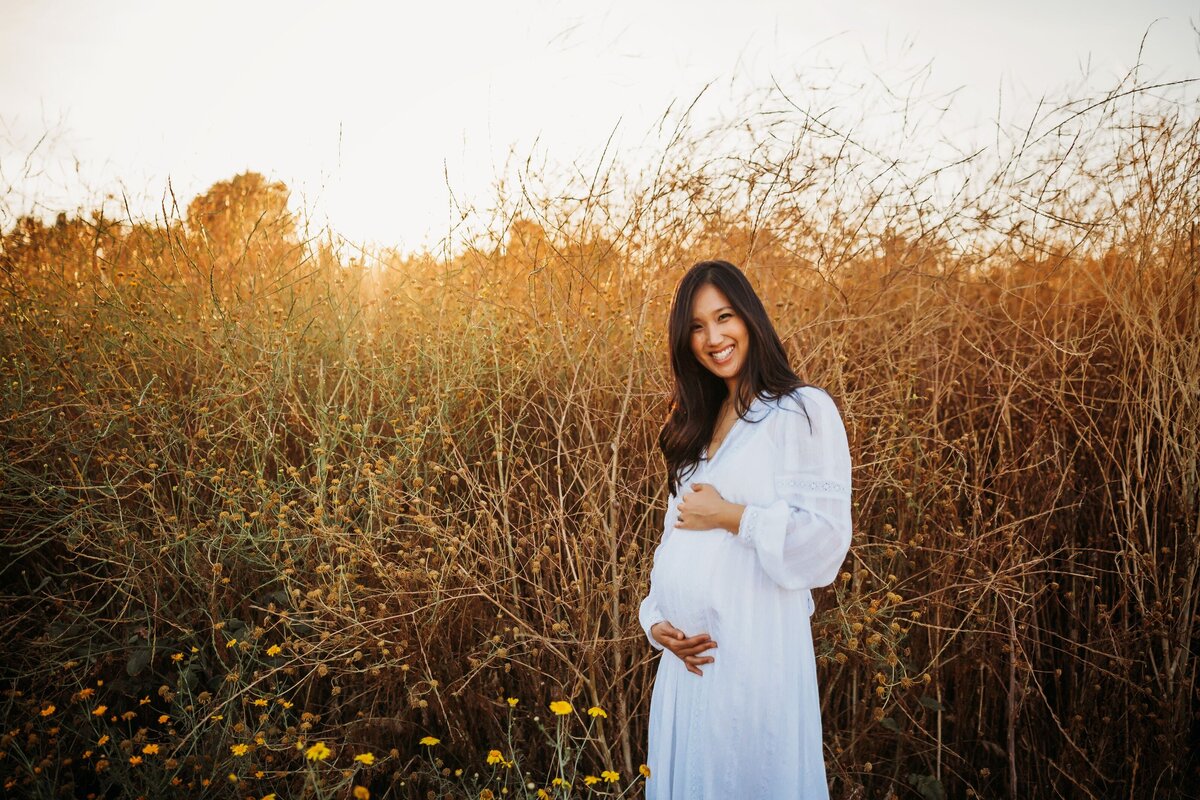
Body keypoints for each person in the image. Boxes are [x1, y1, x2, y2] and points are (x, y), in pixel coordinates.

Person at [638, 259, 853, 799]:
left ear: (751, 318)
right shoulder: (694, 423)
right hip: (686, 672)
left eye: (724, 316)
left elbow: (825, 544)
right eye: (696, 326)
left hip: (754, 658)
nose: (713, 338)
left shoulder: (801, 412)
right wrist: (656, 620)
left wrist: (733, 516)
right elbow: (674, 538)